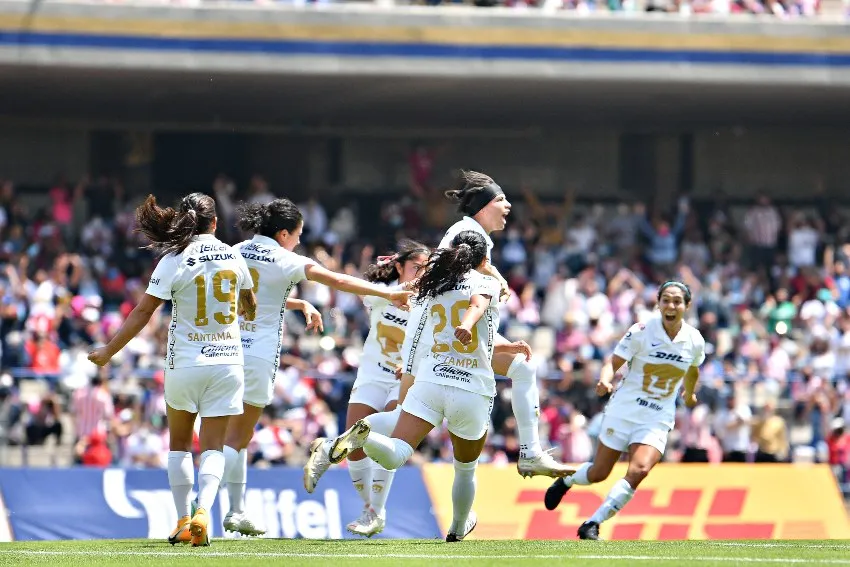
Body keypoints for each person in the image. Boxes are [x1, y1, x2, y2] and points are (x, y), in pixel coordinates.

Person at [306, 231, 533, 541]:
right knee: (465, 468)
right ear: (483, 260)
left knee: (398, 451)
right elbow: (477, 308)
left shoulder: (432, 286)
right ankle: (456, 528)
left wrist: (504, 346)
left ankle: (367, 438)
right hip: (471, 390)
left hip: (431, 382)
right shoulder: (485, 282)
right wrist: (469, 325)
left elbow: (430, 337)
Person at [220, 199, 413, 536]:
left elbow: (240, 296)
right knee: (238, 438)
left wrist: (298, 302)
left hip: (225, 350)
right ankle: (214, 507)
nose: (298, 241)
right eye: (297, 235)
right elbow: (338, 281)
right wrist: (394, 294)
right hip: (259, 356)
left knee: (225, 437)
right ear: (283, 234)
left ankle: (229, 510)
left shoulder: (236, 250)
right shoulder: (287, 259)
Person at [88, 192, 257, 547]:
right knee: (213, 445)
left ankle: (182, 519)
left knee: (180, 444)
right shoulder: (233, 255)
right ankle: (203, 511)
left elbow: (143, 312)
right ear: (215, 222)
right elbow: (250, 304)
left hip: (185, 363)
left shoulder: (174, 258)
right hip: (227, 362)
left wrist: (108, 351)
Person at [400, 170, 571, 478]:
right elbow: (457, 288)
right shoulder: (469, 232)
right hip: (432, 337)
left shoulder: (469, 234)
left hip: (443, 336)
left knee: (523, 367)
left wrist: (497, 281)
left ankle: (531, 452)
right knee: (400, 429)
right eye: (502, 199)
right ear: (483, 205)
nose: (508, 207)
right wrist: (497, 282)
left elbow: (467, 275)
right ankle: (352, 455)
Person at [542, 281, 705, 540]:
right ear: (658, 303)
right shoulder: (641, 331)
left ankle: (593, 523)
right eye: (666, 300)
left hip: (657, 416)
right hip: (624, 410)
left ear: (687, 306)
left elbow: (693, 369)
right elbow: (613, 362)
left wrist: (691, 391)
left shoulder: (694, 340)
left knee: (639, 469)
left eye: (677, 301)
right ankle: (566, 481)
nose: (671, 306)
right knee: (599, 473)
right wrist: (605, 379)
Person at [339, 240, 429, 537]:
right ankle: (369, 508)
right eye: (415, 267)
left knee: (383, 437)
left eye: (425, 269)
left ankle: (375, 511)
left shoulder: (430, 302)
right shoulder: (382, 294)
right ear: (400, 267)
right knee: (354, 448)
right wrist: (379, 271)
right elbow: (351, 285)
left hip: (402, 382)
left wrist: (416, 365)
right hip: (370, 377)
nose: (421, 274)